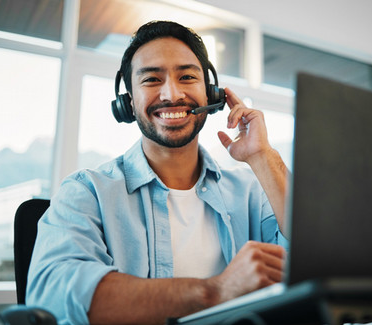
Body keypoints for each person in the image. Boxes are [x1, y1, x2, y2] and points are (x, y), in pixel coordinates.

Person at [26, 20, 289, 325]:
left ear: (211, 92)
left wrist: (263, 157)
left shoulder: (250, 192)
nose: (170, 94)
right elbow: (54, 295)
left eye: (187, 76)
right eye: (151, 79)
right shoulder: (87, 192)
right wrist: (214, 291)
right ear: (128, 101)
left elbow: (317, 260)